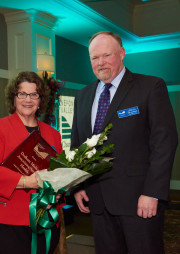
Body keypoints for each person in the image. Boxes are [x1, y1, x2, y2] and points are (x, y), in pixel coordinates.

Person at [71, 31, 178, 254]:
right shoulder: (82, 96)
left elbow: (164, 143)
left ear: (121, 53)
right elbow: (78, 145)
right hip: (98, 201)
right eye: (94, 58)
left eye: (106, 55)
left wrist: (153, 192)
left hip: (139, 201)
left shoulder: (150, 87)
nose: (100, 63)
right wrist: (78, 185)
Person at [0, 71, 63, 254]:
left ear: (41, 100)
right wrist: (26, 181)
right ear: (13, 98)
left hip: (44, 221)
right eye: (22, 94)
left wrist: (57, 193)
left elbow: (60, 176)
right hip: (5, 224)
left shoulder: (53, 135)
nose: (28, 99)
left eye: (34, 94)